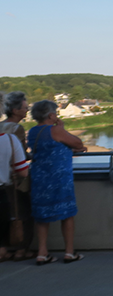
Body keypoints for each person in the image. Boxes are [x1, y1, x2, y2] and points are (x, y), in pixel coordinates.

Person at [27, 100, 87, 265]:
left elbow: (48, 148)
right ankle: (69, 252)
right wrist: (62, 128)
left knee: (41, 217)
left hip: (39, 178)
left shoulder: (33, 131)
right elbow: (78, 143)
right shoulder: (55, 130)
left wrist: (66, 149)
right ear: (51, 115)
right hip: (59, 180)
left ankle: (42, 253)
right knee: (67, 215)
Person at [1, 91, 36, 261]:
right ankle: (22, 249)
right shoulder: (17, 129)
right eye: (24, 107)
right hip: (16, 180)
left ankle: (6, 248)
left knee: (6, 214)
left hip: (3, 179)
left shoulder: (1, 127)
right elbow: (22, 156)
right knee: (23, 213)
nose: (27, 110)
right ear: (15, 110)